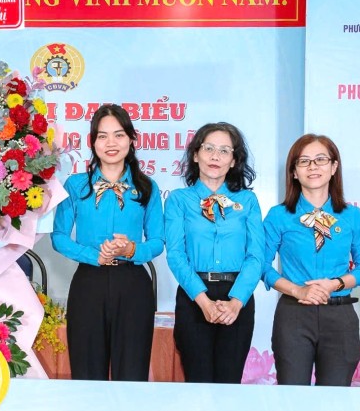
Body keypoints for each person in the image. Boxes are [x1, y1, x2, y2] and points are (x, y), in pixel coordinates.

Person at [51, 104, 165, 381]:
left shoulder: (147, 187)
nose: (111, 143)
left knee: (132, 371)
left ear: (131, 140)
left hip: (134, 285)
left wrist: (132, 249)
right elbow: (59, 238)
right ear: (92, 142)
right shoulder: (76, 185)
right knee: (87, 372)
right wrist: (93, 255)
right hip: (89, 283)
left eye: (119, 135)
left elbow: (158, 241)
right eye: (102, 136)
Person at [263, 134, 360, 386]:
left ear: (334, 167)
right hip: (294, 315)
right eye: (304, 161)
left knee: (335, 402)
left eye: (320, 159)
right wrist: (297, 290)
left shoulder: (352, 216)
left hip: (340, 315)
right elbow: (260, 264)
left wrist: (335, 283)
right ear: (294, 172)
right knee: (292, 400)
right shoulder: (279, 216)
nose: (313, 166)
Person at [165, 122, 263, 383]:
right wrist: (204, 301)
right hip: (194, 297)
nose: (215, 156)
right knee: (197, 386)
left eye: (224, 150)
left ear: (233, 160)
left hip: (237, 300)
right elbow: (175, 254)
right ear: (196, 155)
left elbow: (256, 256)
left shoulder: (248, 201)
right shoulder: (178, 200)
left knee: (229, 387)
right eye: (208, 148)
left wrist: (236, 302)